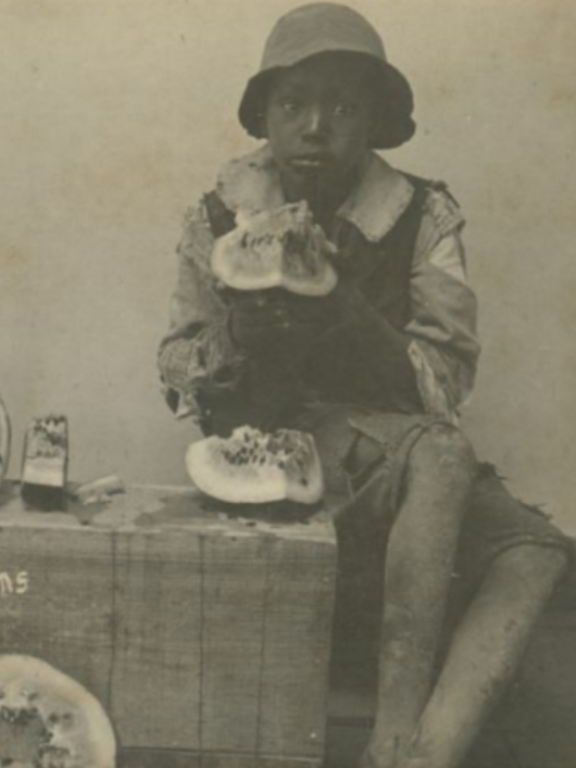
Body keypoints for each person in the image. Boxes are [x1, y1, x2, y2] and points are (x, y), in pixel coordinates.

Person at [157, 4, 572, 766]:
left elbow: (446, 382)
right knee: (444, 455)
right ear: (266, 115)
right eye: (294, 104)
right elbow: (178, 371)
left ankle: (423, 752)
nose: (317, 126)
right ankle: (390, 736)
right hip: (284, 447)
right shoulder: (217, 214)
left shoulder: (425, 213)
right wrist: (235, 342)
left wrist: (348, 312)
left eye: (344, 106)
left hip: (405, 457)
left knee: (534, 550)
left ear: (377, 120)